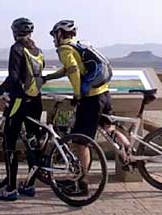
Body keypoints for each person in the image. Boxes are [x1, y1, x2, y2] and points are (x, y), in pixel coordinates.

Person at [44, 20, 129, 194]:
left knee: (81, 143)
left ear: (60, 34)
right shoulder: (79, 46)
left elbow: (73, 70)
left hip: (90, 99)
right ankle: (131, 153)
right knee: (108, 127)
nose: (53, 40)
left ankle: (81, 184)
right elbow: (67, 69)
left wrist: (77, 95)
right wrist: (49, 77)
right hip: (104, 94)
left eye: (54, 35)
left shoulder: (64, 49)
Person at [0, 17, 45, 201]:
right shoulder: (37, 50)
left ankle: (11, 189)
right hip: (36, 101)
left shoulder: (17, 49)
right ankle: (29, 185)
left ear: (14, 32)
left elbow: (13, 78)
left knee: (9, 144)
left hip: (19, 102)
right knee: (31, 142)